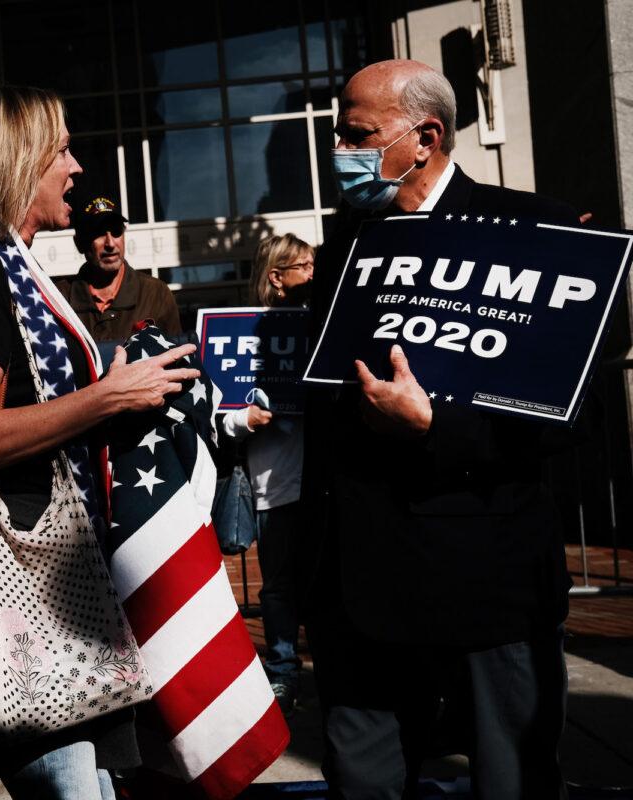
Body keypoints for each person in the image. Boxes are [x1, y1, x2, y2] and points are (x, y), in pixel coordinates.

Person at [0, 80, 199, 800]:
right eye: (62, 150)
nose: (76, 167)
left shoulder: (19, 268)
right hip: (1, 585)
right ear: (16, 161)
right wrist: (106, 397)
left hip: (50, 577)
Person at [303, 59, 574, 799]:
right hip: (361, 591)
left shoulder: (535, 231)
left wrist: (433, 428)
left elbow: (563, 417)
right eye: (338, 134)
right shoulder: (345, 247)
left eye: (357, 135)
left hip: (489, 582)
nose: (340, 152)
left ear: (425, 137)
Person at [220, 233, 314, 718]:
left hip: (319, 484)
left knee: (321, 582)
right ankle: (283, 672)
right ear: (277, 277)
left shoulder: (323, 326)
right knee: (277, 588)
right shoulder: (241, 333)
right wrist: (245, 420)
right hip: (273, 488)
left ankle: (331, 669)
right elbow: (218, 412)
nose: (312, 275)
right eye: (303, 267)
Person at [56, 196, 181, 349]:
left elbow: (176, 360)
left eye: (116, 231)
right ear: (79, 243)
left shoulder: (156, 294)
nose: (110, 243)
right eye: (98, 233)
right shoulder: (58, 298)